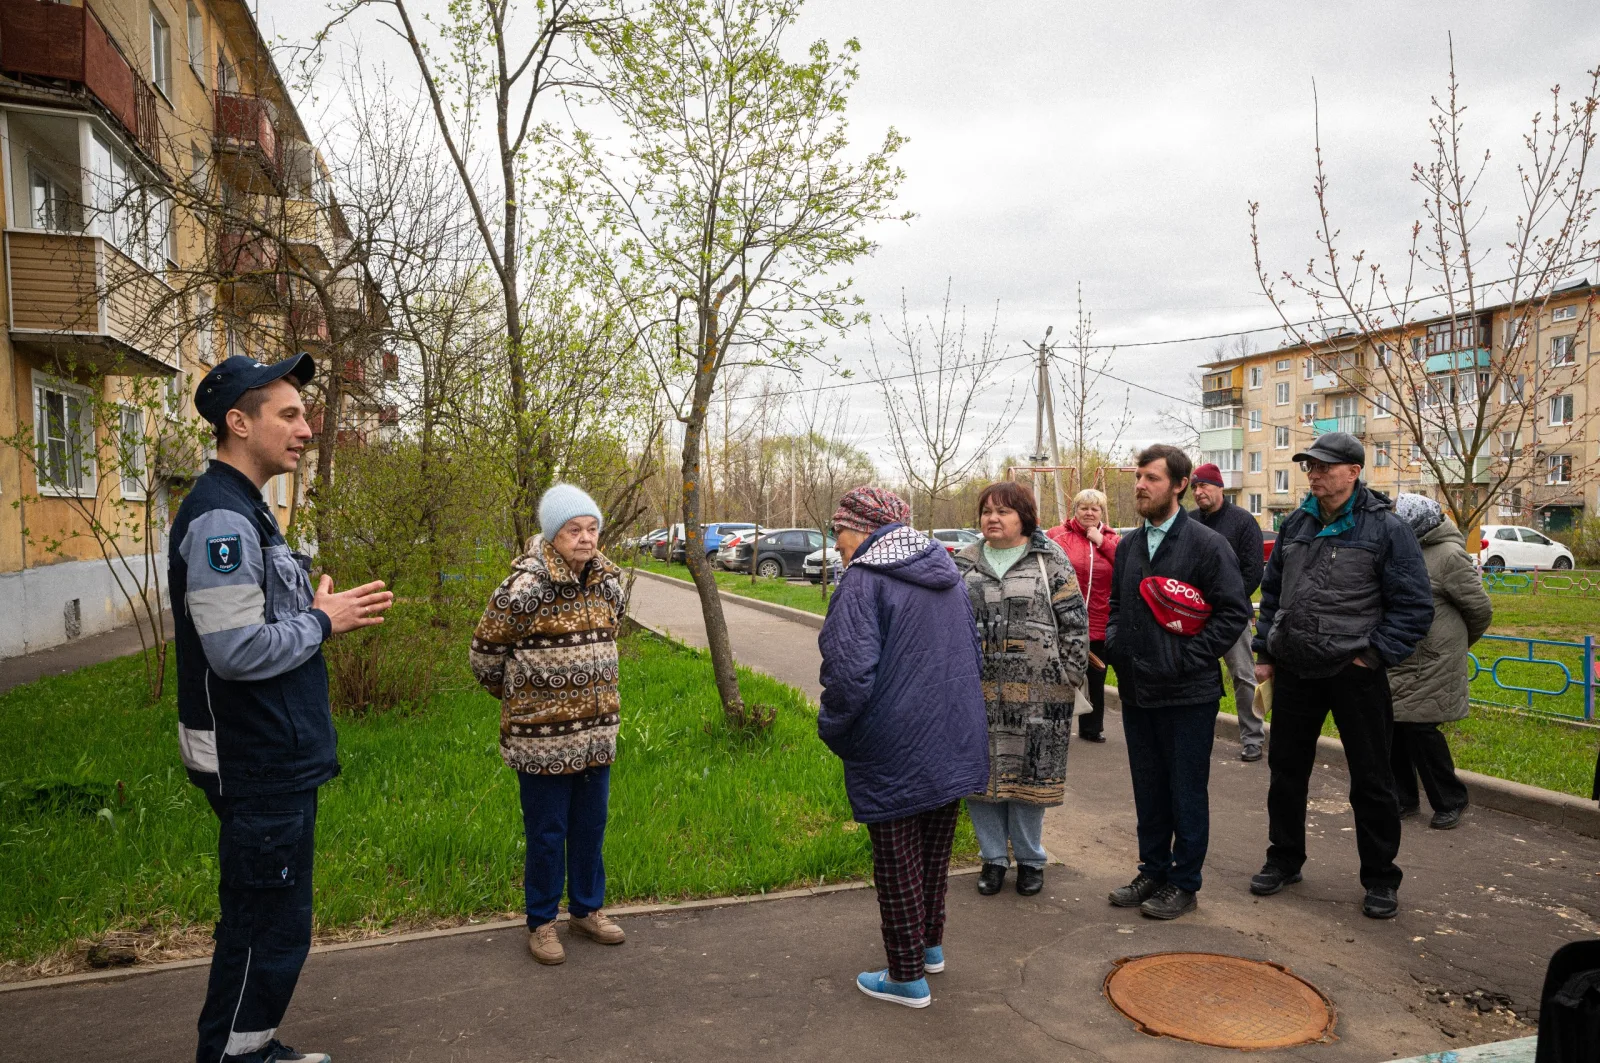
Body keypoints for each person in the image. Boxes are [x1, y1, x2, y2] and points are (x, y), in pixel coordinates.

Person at [173, 353, 394, 1063]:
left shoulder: (246, 510)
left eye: (305, 413)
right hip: (254, 758)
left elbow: (256, 618)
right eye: (289, 414)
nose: (306, 427)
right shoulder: (221, 521)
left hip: (273, 754)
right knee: (264, 922)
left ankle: (248, 1046)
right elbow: (235, 651)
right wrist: (326, 620)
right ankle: (235, 1056)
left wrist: (307, 602)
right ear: (239, 422)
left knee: (270, 919)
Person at [817, 486, 989, 1009]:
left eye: (839, 530)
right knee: (934, 852)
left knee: (896, 860)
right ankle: (929, 946)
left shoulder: (865, 580)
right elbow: (974, 653)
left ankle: (906, 976)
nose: (837, 542)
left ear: (863, 528)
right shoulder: (945, 571)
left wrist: (835, 729)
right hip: (953, 736)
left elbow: (848, 675)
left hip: (893, 743)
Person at [1249, 432, 1433, 920]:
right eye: (1310, 466)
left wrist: (1371, 657)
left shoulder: (1386, 529)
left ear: (1353, 472)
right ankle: (1283, 860)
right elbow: (1272, 593)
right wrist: (1265, 649)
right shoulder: (1295, 523)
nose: (1315, 474)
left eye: (1325, 467)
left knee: (1372, 780)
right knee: (1286, 772)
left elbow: (1414, 606)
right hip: (1296, 670)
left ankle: (1380, 879)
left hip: (1355, 673)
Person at [471, 483, 629, 966]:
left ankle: (586, 910)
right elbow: (485, 656)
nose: (585, 538)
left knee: (590, 826)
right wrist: (529, 700)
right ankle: (541, 922)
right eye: (573, 529)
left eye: (591, 528)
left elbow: (614, 629)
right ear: (552, 535)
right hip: (542, 740)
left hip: (597, 734)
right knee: (546, 832)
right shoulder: (524, 587)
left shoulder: (608, 582)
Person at [1103, 444, 1251, 920]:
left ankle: (1184, 882)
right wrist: (1117, 645)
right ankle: (1153, 870)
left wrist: (1188, 656)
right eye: (1138, 477)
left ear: (1180, 485)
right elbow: (1118, 608)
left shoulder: (1207, 545)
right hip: (1138, 688)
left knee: (1185, 789)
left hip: (1189, 693)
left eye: (1151, 478)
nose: (1140, 486)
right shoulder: (1128, 544)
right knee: (1148, 786)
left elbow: (1234, 612)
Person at [956, 482, 1088, 897]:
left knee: (1030, 777)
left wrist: (1069, 677)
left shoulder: (1050, 560)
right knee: (982, 778)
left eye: (1004, 511)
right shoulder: (963, 563)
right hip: (977, 693)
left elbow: (1075, 623)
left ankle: (1031, 860)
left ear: (1024, 518)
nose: (992, 518)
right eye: (987, 511)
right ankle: (993, 858)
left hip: (1040, 695)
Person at [1387, 494, 1492, 831]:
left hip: (1433, 659)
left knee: (1421, 731)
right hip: (1402, 653)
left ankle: (1450, 801)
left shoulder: (1448, 554)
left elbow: (1480, 610)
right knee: (1394, 728)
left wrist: (1455, 646)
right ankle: (1404, 799)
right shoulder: (1404, 547)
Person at [1189, 463, 1266, 761]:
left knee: (1244, 676)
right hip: (1193, 616)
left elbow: (1252, 573)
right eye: (1195, 487)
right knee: (1194, 675)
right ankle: (1195, 734)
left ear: (1220, 487)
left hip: (1232, 616)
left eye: (1205, 485)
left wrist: (1225, 602)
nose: (1199, 492)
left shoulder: (1243, 523)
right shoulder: (1188, 522)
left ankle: (1253, 738)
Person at [1048, 488, 1120, 743]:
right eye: (1084, 508)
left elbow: (1126, 567)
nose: (1089, 512)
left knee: (1096, 677)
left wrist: (1101, 542)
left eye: (1095, 508)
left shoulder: (1112, 539)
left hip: (1101, 620)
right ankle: (1054, 725)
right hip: (1064, 622)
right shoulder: (1059, 536)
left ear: (1102, 512)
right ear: (1075, 510)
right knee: (1060, 675)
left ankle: (1092, 728)